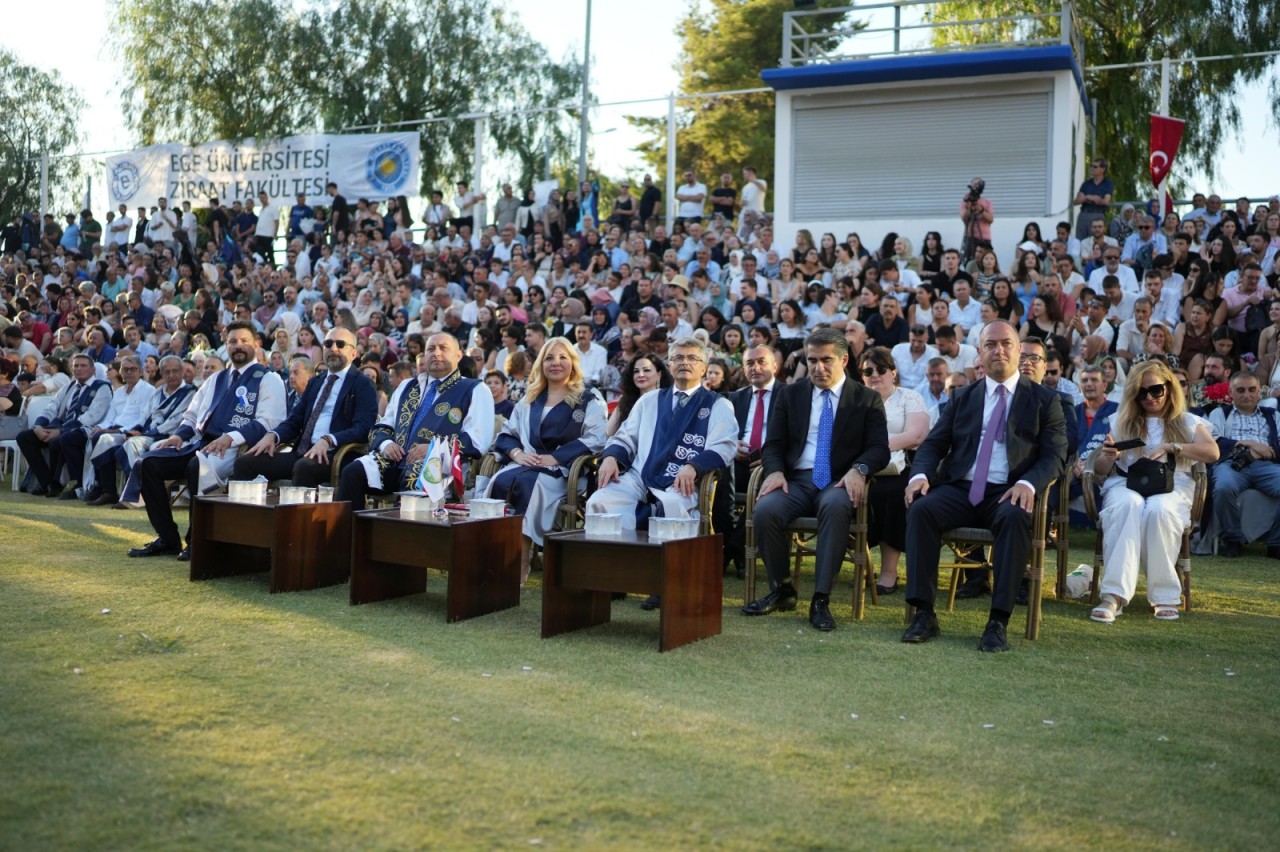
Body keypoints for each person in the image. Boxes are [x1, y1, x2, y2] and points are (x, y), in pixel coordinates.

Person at [902, 321, 1067, 652]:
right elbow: (933, 445)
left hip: (1008, 490)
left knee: (1015, 516)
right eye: (990, 345)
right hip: (961, 488)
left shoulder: (1044, 400)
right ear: (979, 352)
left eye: (1006, 343)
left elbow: (1055, 456)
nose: (999, 350)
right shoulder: (963, 396)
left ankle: (997, 621)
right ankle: (923, 613)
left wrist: (1028, 483)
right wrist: (919, 475)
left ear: (1019, 350)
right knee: (921, 510)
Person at [741, 328, 890, 631]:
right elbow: (773, 444)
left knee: (836, 507)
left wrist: (859, 470)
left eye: (826, 360)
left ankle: (820, 599)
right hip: (795, 480)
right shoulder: (790, 393)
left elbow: (879, 449)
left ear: (844, 359)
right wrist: (776, 471)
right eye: (812, 360)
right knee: (765, 510)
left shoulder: (866, 399)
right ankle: (783, 590)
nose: (818, 368)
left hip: (839, 480)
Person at [588, 336, 736, 607]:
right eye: (678, 358)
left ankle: (665, 583)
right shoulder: (650, 401)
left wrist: (694, 465)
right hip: (639, 478)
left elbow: (725, 446)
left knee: (674, 507)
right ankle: (610, 578)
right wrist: (610, 456)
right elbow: (624, 438)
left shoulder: (718, 405)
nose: (685, 363)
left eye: (692, 358)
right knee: (601, 501)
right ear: (669, 364)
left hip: (682, 482)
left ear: (704, 367)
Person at [128, 321, 287, 560]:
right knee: (147, 463)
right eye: (233, 341)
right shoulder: (216, 378)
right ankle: (168, 538)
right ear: (226, 345)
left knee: (197, 466)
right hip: (199, 443)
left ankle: (196, 541)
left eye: (244, 341)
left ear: (256, 344)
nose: (238, 346)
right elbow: (192, 415)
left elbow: (268, 422)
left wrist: (230, 438)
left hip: (236, 448)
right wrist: (178, 435)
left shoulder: (268, 379)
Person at [1089, 361, 1218, 622]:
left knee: (1159, 510)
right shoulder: (1121, 421)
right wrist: (1108, 456)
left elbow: (1212, 453)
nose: (1149, 397)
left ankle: (1164, 595)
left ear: (1169, 389)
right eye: (1142, 392)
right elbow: (1102, 469)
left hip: (1173, 483)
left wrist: (1173, 446)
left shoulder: (1187, 421)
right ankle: (1113, 595)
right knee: (1128, 506)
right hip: (1126, 482)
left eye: (1156, 390)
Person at [485, 337, 608, 581]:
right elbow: (507, 434)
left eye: (563, 357)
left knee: (530, 486)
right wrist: (518, 454)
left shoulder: (588, 397)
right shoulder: (530, 399)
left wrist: (556, 458)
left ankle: (520, 562)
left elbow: (596, 438)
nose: (556, 363)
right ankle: (494, 557)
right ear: (541, 364)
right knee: (498, 481)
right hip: (526, 464)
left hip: (565, 471)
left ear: (573, 363)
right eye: (549, 358)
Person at [336, 332, 494, 510]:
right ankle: (351, 535)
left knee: (413, 478)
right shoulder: (407, 386)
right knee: (352, 472)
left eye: (443, 348)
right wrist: (386, 443)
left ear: (458, 355)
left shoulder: (475, 389)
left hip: (439, 465)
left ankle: (399, 536)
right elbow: (382, 426)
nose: (436, 353)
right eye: (431, 349)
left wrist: (433, 448)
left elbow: (477, 441)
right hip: (394, 461)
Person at [232, 327, 378, 487]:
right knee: (245, 462)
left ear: (354, 353)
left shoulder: (363, 384)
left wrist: (329, 439)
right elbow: (295, 420)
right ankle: (250, 512)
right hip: (302, 452)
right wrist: (273, 436)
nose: (333, 348)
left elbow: (363, 429)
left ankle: (296, 512)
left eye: (341, 344)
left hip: (335, 455)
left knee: (304, 467)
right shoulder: (316, 382)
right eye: (328, 343)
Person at [857, 347, 929, 596]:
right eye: (868, 370)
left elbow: (917, 435)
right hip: (860, 467)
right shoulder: (855, 400)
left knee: (891, 495)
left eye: (881, 369)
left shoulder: (909, 397)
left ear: (893, 372)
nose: (875, 374)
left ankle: (889, 571)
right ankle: (850, 562)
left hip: (900, 468)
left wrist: (875, 447)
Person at [86, 355, 195, 508]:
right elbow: (144, 415)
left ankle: (137, 496)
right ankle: (109, 491)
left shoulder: (190, 393)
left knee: (133, 444)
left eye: (175, 371)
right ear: (161, 373)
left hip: (171, 437)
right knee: (108, 440)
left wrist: (144, 434)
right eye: (167, 372)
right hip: (148, 433)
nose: (171, 375)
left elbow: (176, 422)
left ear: (182, 372)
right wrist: (135, 430)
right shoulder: (158, 393)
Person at [16, 353, 113, 497]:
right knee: (24, 437)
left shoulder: (102, 387)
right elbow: (51, 408)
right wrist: (38, 427)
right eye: (76, 366)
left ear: (93, 370)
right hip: (61, 427)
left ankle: (77, 483)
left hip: (86, 430)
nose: (79, 369)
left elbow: (92, 417)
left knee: (63, 439)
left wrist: (60, 431)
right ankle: (47, 483)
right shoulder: (69, 387)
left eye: (83, 365)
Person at [1206, 371, 1280, 559]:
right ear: (1231, 392)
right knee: (1223, 487)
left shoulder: (1273, 415)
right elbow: (1213, 442)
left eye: (1251, 390)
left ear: (1259, 392)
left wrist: (1263, 452)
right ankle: (1233, 539)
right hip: (1231, 463)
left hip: (1266, 465)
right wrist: (1249, 444)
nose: (1247, 395)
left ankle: (1276, 543)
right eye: (1240, 390)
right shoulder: (1219, 413)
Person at [719, 344, 778, 578]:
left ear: (775, 365)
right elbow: (721, 433)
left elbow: (798, 435)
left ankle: (731, 549)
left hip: (771, 464)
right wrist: (732, 447)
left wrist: (770, 455)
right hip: (738, 462)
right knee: (716, 477)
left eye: (761, 361)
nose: (755, 367)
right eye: (749, 363)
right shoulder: (734, 398)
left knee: (763, 487)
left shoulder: (791, 395)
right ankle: (729, 545)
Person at [78, 355, 156, 502]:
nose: (129, 373)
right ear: (120, 372)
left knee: (102, 439)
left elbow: (142, 419)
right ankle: (103, 487)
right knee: (95, 435)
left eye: (133, 369)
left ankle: (107, 490)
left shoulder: (148, 391)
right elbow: (110, 416)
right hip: (114, 428)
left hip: (132, 432)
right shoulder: (119, 392)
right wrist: (100, 427)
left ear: (140, 371)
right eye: (125, 369)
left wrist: (117, 431)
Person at [606, 353, 671, 436]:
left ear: (659, 375)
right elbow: (608, 434)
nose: (640, 375)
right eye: (636, 371)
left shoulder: (669, 400)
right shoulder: (625, 401)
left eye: (646, 370)